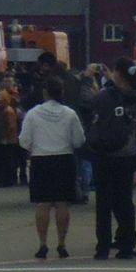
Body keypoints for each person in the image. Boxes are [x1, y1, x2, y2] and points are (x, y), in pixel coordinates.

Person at [20, 74, 85, 260]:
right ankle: (62, 243)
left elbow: (24, 140)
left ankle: (42, 244)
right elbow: (79, 140)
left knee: (43, 203)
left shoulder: (33, 113)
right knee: (62, 203)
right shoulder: (69, 113)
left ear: (45, 92)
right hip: (64, 159)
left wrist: (35, 146)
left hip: (41, 160)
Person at [87, 65, 136, 259]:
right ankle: (127, 244)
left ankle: (103, 246)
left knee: (103, 203)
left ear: (118, 74)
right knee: (124, 201)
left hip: (103, 154)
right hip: (127, 155)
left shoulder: (104, 96)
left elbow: (89, 111)